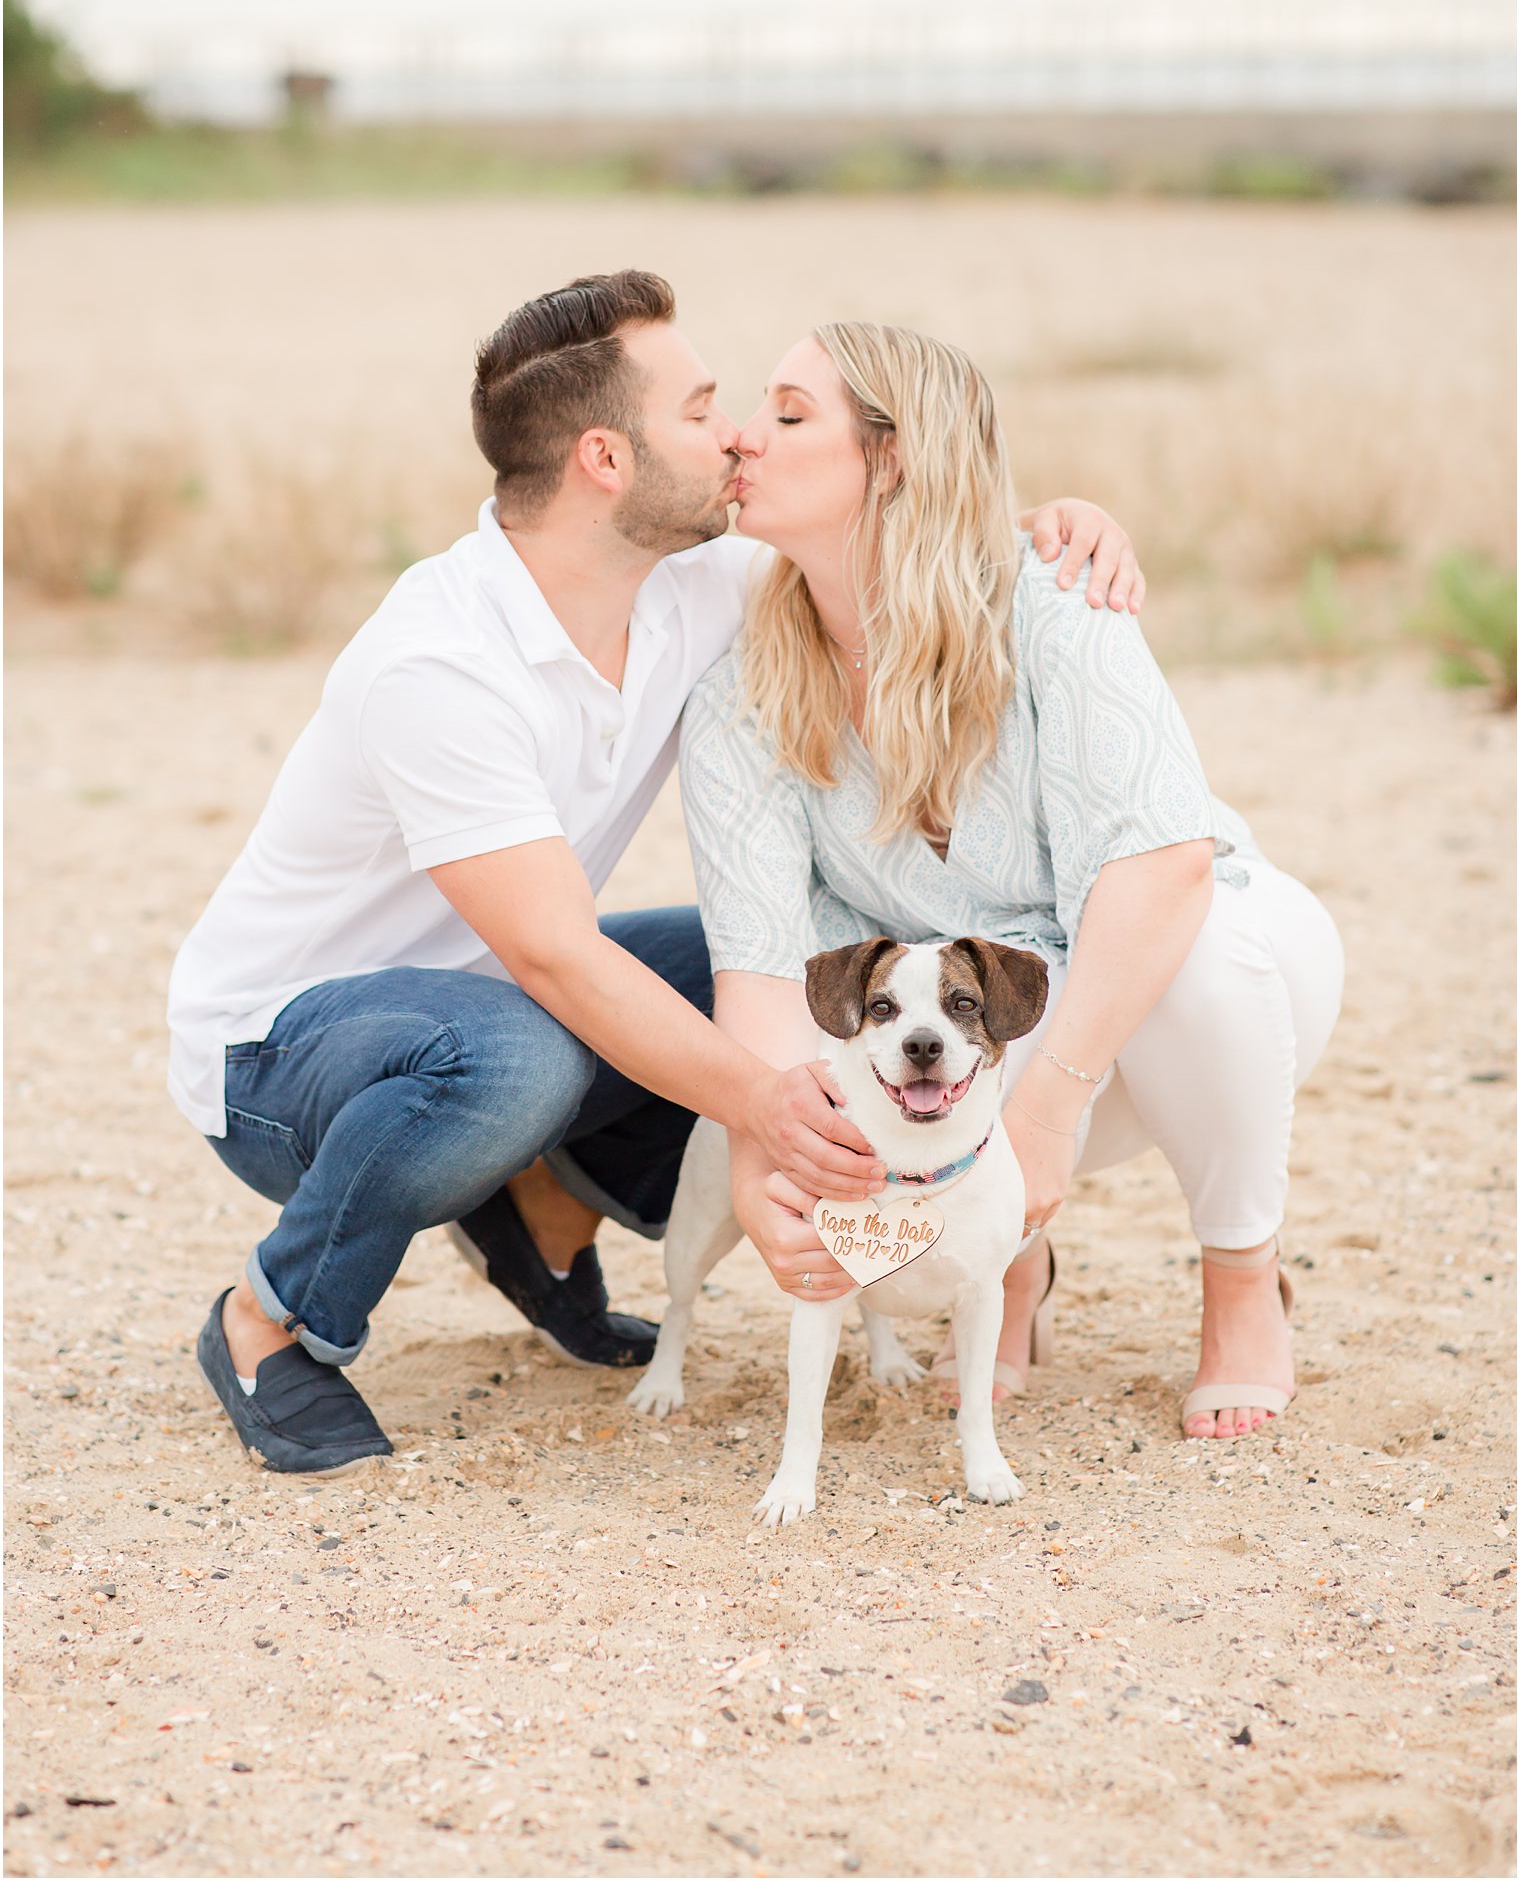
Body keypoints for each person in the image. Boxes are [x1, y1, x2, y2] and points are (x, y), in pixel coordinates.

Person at [167, 270, 1140, 1474]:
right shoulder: (435, 662)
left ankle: (539, 1205)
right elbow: (553, 958)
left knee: (767, 960)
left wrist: (1056, 521)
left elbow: (878, 542)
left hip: (474, 1000)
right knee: (517, 1050)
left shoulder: (697, 584)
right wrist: (761, 1106)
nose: (736, 435)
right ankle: (271, 1321)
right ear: (605, 461)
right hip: (281, 1053)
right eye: (700, 411)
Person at [678, 319, 1345, 1440]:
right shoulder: (743, 688)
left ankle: (1240, 1279)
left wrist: (1040, 1112)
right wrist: (772, 1176)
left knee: (1200, 950)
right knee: (915, 1025)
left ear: (892, 459)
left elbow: (1163, 867)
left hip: (1200, 993)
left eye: (788, 415)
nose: (742, 437)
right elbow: (759, 980)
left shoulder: (1048, 595)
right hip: (979, 1030)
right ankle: (1009, 1268)